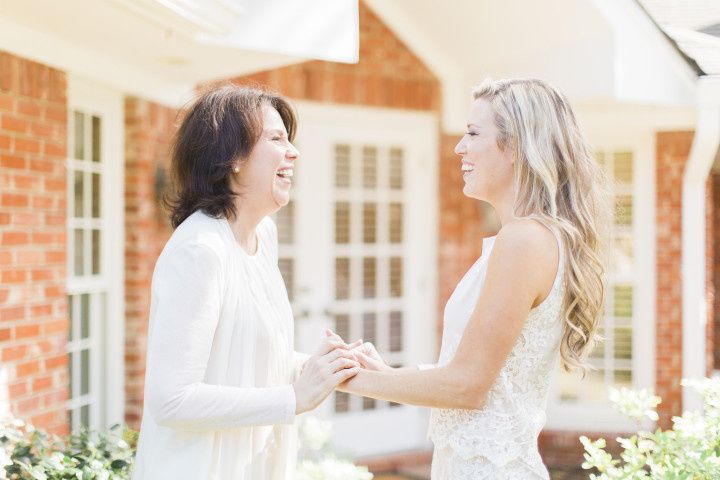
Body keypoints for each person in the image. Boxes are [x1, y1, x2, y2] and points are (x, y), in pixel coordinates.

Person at [336, 78, 610, 479]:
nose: (458, 148)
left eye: (472, 133)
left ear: (516, 145)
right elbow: (483, 376)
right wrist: (389, 376)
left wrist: (351, 382)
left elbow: (467, 387)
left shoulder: (523, 241)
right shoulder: (529, 237)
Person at [133, 85, 360, 480]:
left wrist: (327, 368)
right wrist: (292, 399)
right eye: (276, 138)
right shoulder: (200, 251)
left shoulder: (263, 236)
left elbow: (250, 359)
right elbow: (171, 400)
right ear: (232, 158)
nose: (294, 152)